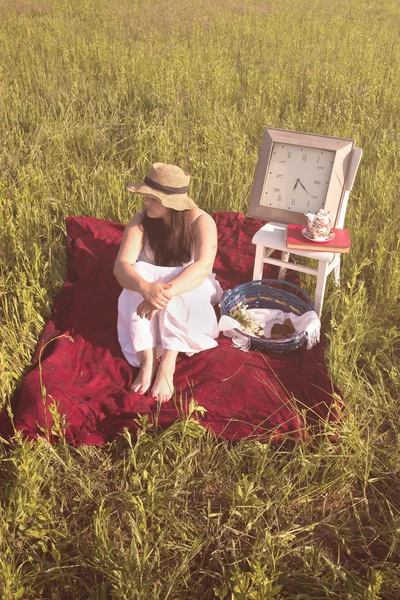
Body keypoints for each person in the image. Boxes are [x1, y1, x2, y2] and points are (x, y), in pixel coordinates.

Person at [114, 163, 223, 403]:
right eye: (147, 197)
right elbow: (121, 266)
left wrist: (160, 297)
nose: (146, 203)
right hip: (149, 288)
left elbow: (202, 267)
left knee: (183, 286)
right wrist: (146, 289)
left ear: (173, 204)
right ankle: (148, 359)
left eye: (154, 199)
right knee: (138, 273)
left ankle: (169, 361)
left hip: (188, 286)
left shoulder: (201, 222)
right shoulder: (141, 221)